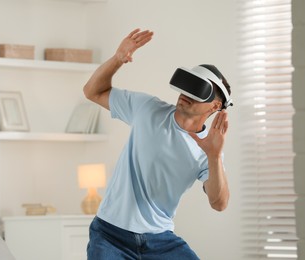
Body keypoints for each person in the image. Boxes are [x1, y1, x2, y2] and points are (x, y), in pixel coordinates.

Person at [83, 28, 232, 260]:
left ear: (215, 106)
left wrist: (214, 157)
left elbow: (219, 203)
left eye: (198, 90)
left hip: (161, 241)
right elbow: (92, 91)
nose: (187, 94)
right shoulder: (148, 109)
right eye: (188, 85)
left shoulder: (209, 150)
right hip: (110, 235)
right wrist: (117, 59)